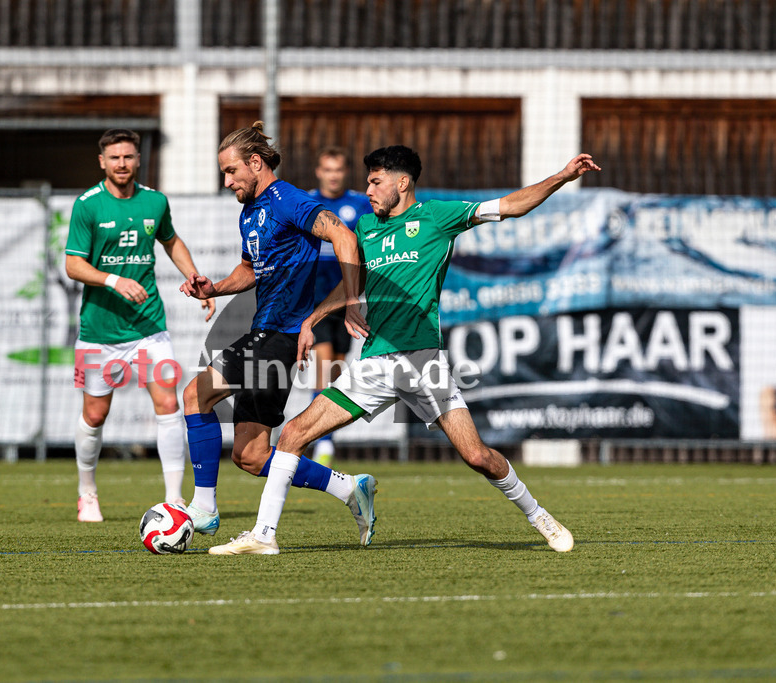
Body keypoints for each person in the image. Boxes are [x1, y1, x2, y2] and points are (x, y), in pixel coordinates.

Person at [209, 145, 599, 555]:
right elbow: (351, 285)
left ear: (402, 182)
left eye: (375, 182)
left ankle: (538, 515)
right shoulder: (365, 227)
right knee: (292, 433)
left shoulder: (436, 217)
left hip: (422, 361)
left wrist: (561, 176)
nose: (368, 190)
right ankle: (264, 536)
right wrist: (314, 318)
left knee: (478, 456)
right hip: (375, 362)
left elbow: (511, 206)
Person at [179, 121, 376, 550]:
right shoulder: (249, 211)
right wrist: (214, 287)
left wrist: (351, 295)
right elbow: (249, 270)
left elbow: (342, 234)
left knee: (195, 395)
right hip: (265, 332)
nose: (227, 182)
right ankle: (349, 488)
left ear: (255, 163)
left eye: (232, 172)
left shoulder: (289, 201)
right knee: (249, 457)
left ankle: (204, 508)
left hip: (280, 336)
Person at [65, 128, 215, 523]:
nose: (122, 164)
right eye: (114, 158)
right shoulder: (88, 206)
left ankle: (173, 500)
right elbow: (73, 265)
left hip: (149, 328)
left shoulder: (155, 201)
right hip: (99, 331)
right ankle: (87, 491)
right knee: (95, 415)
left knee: (168, 403)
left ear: (137, 160)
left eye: (128, 157)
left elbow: (171, 241)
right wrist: (114, 280)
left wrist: (196, 277)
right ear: (102, 162)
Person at [306, 147, 373, 467]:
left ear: (344, 173)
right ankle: (321, 443)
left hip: (348, 299)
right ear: (319, 172)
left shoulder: (360, 204)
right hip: (317, 300)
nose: (332, 175)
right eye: (327, 169)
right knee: (322, 369)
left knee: (335, 373)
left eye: (338, 170)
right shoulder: (307, 203)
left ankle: (323, 436)